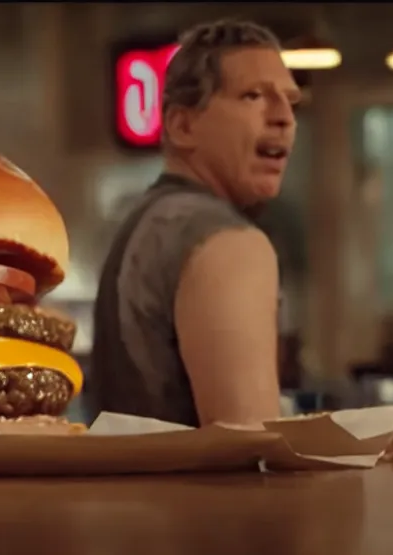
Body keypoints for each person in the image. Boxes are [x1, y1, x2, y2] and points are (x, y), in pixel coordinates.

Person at [88, 19, 301, 427]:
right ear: (183, 126)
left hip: (129, 491)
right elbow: (247, 446)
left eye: (291, 102)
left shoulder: (142, 223)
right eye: (254, 95)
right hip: (197, 493)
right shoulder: (231, 244)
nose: (284, 119)